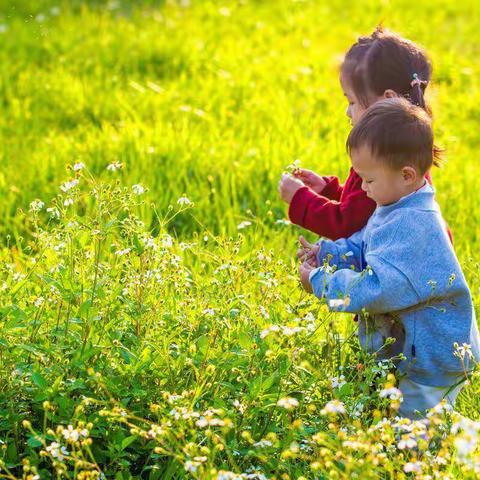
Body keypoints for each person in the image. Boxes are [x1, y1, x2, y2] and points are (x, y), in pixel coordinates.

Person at [298, 98, 480, 419]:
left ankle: (452, 456)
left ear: (407, 174)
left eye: (369, 180)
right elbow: (370, 246)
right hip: (412, 349)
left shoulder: (413, 224)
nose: (362, 189)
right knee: (394, 418)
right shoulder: (397, 203)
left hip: (431, 360)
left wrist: (321, 282)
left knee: (415, 433)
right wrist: (328, 253)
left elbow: (377, 289)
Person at [279, 27, 442, 241]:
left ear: (388, 99)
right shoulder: (400, 145)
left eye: (352, 101)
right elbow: (366, 204)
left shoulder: (386, 156)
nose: (347, 111)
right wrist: (328, 190)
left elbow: (345, 224)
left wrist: (301, 199)